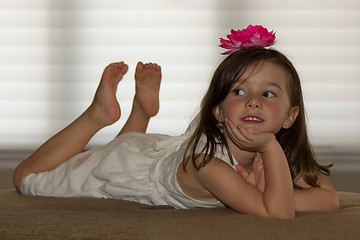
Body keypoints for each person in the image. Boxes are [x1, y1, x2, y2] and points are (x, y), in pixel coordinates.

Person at [13, 25, 339, 219]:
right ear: (217, 111)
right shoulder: (207, 164)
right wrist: (268, 152)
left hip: (149, 151)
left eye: (268, 94)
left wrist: (270, 187)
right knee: (25, 178)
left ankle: (140, 113)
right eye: (239, 90)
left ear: (290, 116)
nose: (253, 100)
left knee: (124, 146)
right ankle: (97, 115)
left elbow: (330, 198)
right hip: (123, 166)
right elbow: (278, 214)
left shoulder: (274, 153)